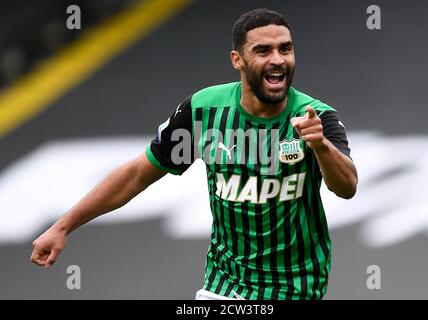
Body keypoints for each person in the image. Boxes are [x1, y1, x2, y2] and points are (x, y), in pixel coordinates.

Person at [31, 8, 357, 300]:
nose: (277, 59)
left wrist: (320, 146)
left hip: (296, 286)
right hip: (225, 285)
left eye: (285, 49)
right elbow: (135, 176)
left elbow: (347, 187)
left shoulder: (316, 117)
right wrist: (63, 226)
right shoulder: (203, 111)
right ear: (237, 60)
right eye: (263, 50)